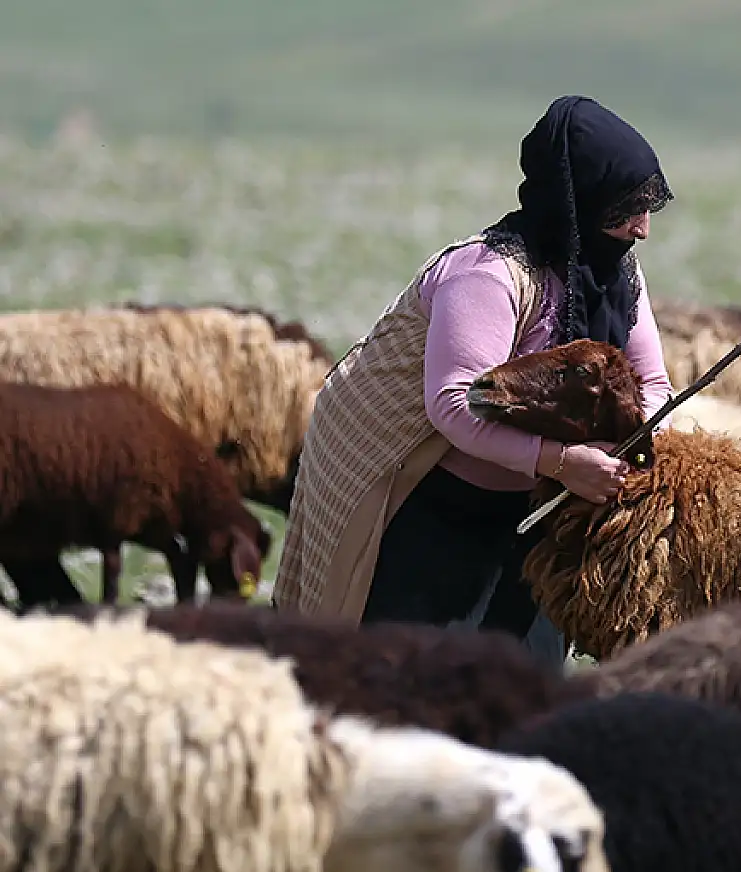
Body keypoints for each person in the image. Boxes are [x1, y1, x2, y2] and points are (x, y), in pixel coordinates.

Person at [270, 95, 677, 667]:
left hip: (534, 505)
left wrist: (622, 442)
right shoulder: (487, 275)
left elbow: (651, 380)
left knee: (523, 682)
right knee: (407, 681)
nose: (643, 227)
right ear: (578, 198)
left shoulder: (612, 273)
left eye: (647, 205)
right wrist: (561, 461)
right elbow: (457, 405)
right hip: (429, 498)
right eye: (627, 206)